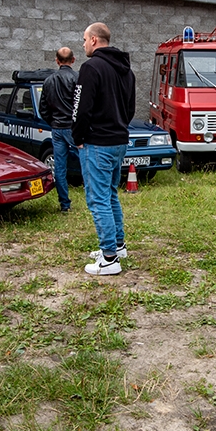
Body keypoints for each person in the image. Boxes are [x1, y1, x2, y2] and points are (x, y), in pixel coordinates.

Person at [72, 23, 136, 275]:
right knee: (110, 194)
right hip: (118, 140)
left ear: (95, 40)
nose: (84, 44)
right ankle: (117, 246)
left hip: (96, 142)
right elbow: (130, 107)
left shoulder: (90, 67)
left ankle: (109, 259)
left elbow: (80, 107)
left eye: (85, 39)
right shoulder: (126, 71)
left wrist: (77, 135)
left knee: (98, 198)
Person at [38, 47, 79, 212]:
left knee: (59, 167)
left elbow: (43, 108)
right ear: (73, 60)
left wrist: (53, 122)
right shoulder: (78, 78)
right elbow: (83, 104)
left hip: (57, 128)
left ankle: (65, 204)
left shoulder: (48, 81)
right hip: (74, 128)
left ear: (56, 60)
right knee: (87, 161)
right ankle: (95, 199)